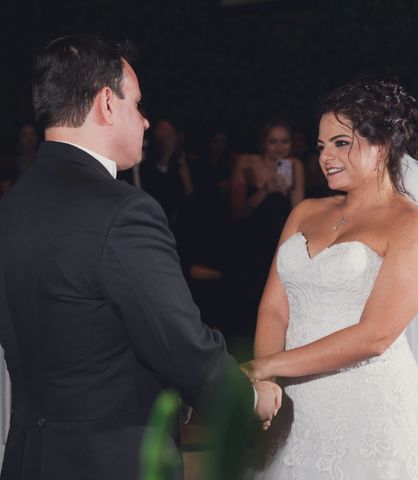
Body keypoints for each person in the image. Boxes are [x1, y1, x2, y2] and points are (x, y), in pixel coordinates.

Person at [0, 34, 281, 480]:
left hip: (27, 459)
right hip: (112, 464)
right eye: (139, 104)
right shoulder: (123, 210)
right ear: (107, 104)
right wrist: (249, 400)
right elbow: (180, 344)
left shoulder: (12, 207)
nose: (147, 123)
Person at [242, 79, 418, 479]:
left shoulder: (412, 224)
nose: (326, 157)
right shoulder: (304, 213)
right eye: (320, 146)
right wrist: (268, 382)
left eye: (340, 143)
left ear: (382, 145)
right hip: (294, 404)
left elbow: (375, 335)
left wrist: (265, 366)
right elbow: (274, 307)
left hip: (367, 406)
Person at [228, 120, 305, 342]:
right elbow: (237, 212)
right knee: (245, 309)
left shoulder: (294, 165)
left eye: (285, 141)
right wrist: (266, 190)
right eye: (273, 141)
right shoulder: (246, 163)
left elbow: (297, 211)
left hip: (277, 247)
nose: (280, 147)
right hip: (247, 245)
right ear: (263, 143)